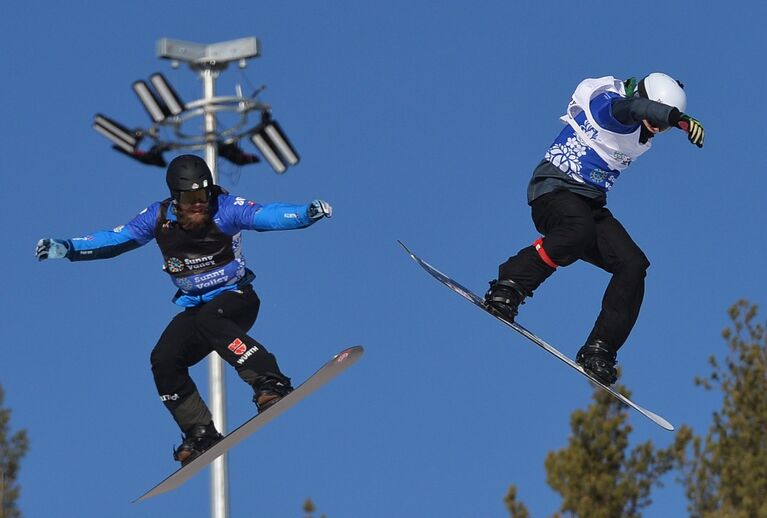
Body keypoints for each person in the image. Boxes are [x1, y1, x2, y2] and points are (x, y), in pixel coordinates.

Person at [35, 154, 333, 465]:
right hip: (199, 308)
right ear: (176, 198)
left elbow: (267, 216)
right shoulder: (158, 217)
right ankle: (200, 431)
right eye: (190, 198)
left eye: (203, 195)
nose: (199, 204)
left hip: (237, 299)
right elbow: (116, 239)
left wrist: (304, 214)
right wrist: (70, 248)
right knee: (164, 358)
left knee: (209, 318)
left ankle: (270, 381)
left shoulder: (225, 208)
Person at [484, 73, 705, 386]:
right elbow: (630, 109)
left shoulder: (642, 129)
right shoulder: (609, 104)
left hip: (589, 205)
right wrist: (672, 117)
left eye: (662, 127)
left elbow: (647, 115)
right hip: (553, 191)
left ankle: (599, 348)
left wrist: (677, 122)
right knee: (578, 230)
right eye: (657, 119)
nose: (657, 129)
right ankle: (509, 285)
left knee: (633, 264)